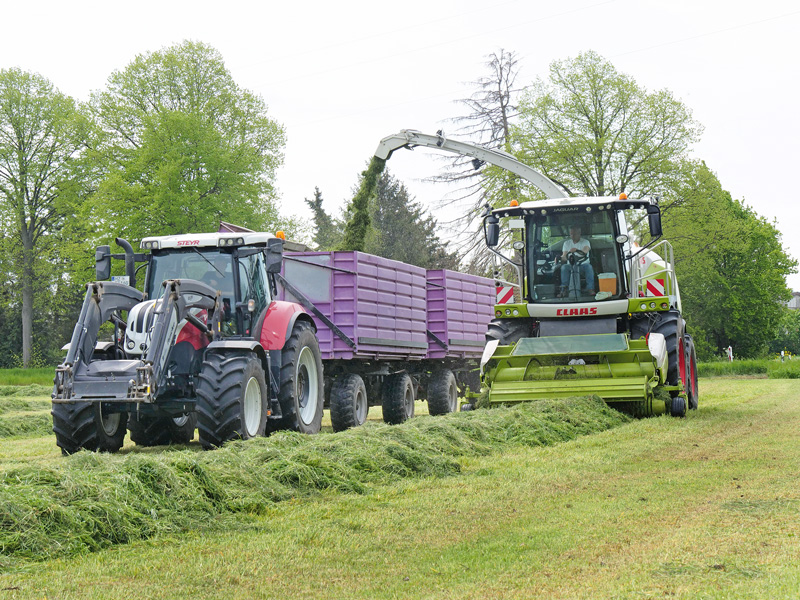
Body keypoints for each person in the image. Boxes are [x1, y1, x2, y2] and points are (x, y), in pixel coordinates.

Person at [557, 224, 594, 297]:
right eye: (571, 234)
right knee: (564, 267)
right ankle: (564, 289)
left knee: (589, 267)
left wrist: (577, 250)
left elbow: (585, 251)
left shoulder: (585, 242)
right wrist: (559, 258)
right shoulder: (566, 243)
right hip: (570, 266)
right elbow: (564, 256)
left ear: (579, 233)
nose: (572, 236)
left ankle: (590, 289)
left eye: (574, 234)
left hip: (583, 265)